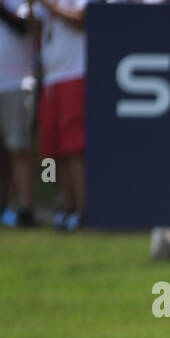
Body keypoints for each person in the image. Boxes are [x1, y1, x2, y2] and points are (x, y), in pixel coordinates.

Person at [32, 0, 87, 230]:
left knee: (73, 149)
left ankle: (83, 210)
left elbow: (81, 21)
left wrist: (50, 6)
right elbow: (34, 34)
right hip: (50, 81)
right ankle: (65, 207)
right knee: (51, 151)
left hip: (75, 76)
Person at [0, 0, 36, 227]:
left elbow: (24, 27)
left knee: (21, 150)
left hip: (17, 85)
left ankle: (26, 209)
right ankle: (5, 206)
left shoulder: (23, 3)